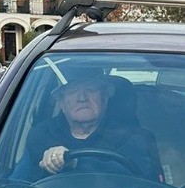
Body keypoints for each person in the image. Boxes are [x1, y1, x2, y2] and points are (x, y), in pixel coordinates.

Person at [24, 63, 162, 178]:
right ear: (61, 102)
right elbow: (17, 185)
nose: (82, 98)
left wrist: (73, 161)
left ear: (105, 98)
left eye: (90, 90)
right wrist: (50, 160)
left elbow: (145, 180)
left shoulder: (136, 138)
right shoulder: (41, 134)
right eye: (72, 92)